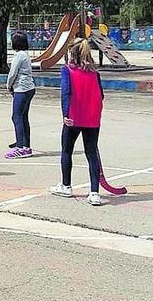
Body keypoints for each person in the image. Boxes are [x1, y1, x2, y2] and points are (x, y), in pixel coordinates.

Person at [50, 39, 106, 206]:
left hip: (73, 117)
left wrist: (65, 113)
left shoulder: (67, 70)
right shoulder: (95, 74)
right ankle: (94, 192)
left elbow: (66, 92)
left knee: (67, 150)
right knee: (91, 153)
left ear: (71, 53)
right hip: (92, 118)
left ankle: (66, 185)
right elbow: (101, 95)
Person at [5, 32, 36, 158]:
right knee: (23, 117)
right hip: (29, 88)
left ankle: (20, 147)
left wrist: (8, 85)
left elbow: (12, 73)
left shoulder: (18, 56)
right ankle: (24, 143)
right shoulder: (25, 55)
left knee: (16, 117)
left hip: (22, 89)